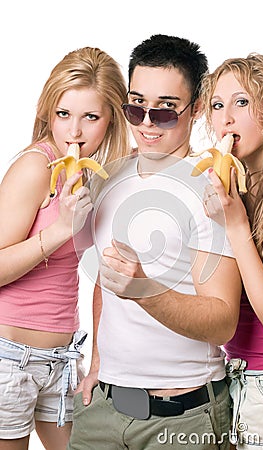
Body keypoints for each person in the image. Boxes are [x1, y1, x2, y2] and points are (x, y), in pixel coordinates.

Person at [67, 34, 242, 450]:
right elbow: (104, 278)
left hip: (183, 417)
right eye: (135, 106)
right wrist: (97, 363)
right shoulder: (108, 177)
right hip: (101, 409)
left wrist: (145, 291)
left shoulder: (212, 190)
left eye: (164, 111)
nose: (146, 122)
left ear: (195, 110)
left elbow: (223, 320)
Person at [0, 46, 130, 450]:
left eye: (90, 117)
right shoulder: (36, 166)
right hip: (9, 359)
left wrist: (97, 360)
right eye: (63, 114)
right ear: (48, 112)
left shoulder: (91, 176)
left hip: (62, 358)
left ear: (110, 120)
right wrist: (60, 229)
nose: (74, 131)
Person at [200, 53, 263, 449]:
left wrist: (236, 226)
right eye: (217, 105)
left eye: (242, 102)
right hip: (236, 375)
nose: (226, 117)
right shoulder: (238, 191)